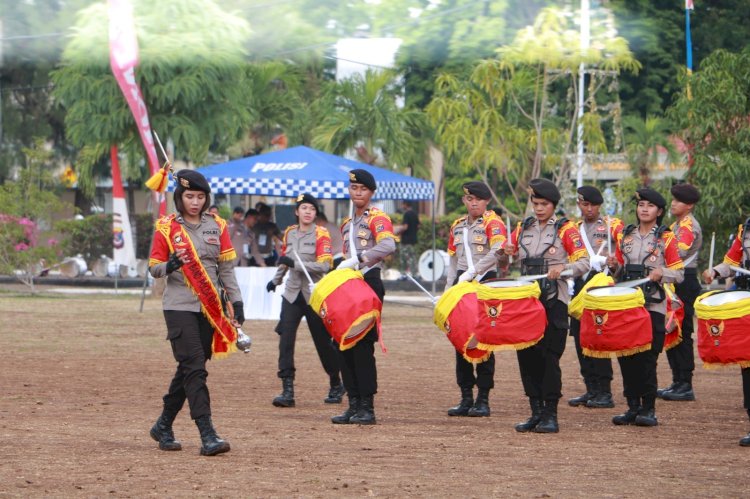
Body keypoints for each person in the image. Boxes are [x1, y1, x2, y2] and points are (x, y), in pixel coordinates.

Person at [147, 169, 244, 456]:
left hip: (209, 308)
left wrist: (237, 303)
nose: (195, 202)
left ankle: (163, 424)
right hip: (178, 306)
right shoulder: (166, 228)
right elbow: (153, 268)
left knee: (190, 368)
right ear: (179, 197)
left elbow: (226, 269)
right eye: (189, 196)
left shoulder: (218, 226)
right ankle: (207, 433)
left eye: (200, 197)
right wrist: (171, 265)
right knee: (196, 368)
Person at [502, 178, 590, 433]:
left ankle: (551, 413)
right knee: (526, 355)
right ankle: (535, 411)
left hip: (554, 300)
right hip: (526, 301)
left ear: (553, 205)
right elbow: (509, 260)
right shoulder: (523, 228)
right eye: (535, 203)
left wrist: (564, 269)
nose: (539, 208)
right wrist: (505, 252)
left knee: (549, 357)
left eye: (544, 204)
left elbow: (584, 262)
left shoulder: (565, 229)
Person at [607, 187, 684, 427]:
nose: (644, 210)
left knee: (647, 358)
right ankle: (632, 406)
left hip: (653, 305)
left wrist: (663, 273)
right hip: (627, 303)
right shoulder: (625, 236)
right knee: (626, 355)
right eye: (641, 205)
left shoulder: (666, 237)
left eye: (650, 206)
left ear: (659, 211)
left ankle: (648, 408)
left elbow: (679, 273)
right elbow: (620, 269)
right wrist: (613, 266)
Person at [265, 193, 343, 407]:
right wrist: (276, 280)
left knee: (323, 342)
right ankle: (287, 389)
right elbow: (284, 260)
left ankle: (336, 382)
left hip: (313, 294)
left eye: (312, 209)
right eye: (304, 208)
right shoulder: (289, 233)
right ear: (296, 211)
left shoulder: (321, 234)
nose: (308, 212)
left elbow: (325, 266)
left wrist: (295, 265)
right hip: (291, 294)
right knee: (286, 340)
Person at [331, 169, 396, 425]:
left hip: (369, 281)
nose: (358, 193)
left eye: (363, 190)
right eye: (354, 188)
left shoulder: (377, 218)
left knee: (363, 345)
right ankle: (353, 403)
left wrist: (359, 258)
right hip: (350, 284)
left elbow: (388, 245)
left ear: (371, 193)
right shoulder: (347, 224)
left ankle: (367, 406)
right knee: (344, 343)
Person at [443, 182, 507, 418]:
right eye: (469, 199)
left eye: (478, 200)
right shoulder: (457, 226)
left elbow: (497, 251)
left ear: (486, 201)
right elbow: (452, 259)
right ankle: (465, 396)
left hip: (484, 282)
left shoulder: (493, 222)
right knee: (460, 339)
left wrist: (474, 272)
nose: (473, 203)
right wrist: (448, 289)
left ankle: (483, 398)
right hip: (461, 283)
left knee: (484, 339)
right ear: (464, 201)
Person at [567, 186, 622, 409]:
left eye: (593, 205)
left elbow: (627, 247)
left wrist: (615, 261)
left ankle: (605, 392)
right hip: (580, 285)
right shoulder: (573, 229)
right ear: (579, 204)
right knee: (581, 339)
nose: (589, 209)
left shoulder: (611, 225)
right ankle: (590, 389)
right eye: (585, 204)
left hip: (601, 286)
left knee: (598, 338)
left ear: (599, 206)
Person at [702, 217, 750, 446]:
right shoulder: (746, 229)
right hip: (746, 303)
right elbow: (731, 262)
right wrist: (714, 271)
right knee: (748, 364)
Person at [658, 183, 702, 401]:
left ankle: (685, 383)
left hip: (685, 281)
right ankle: (677, 381)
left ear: (690, 205)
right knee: (672, 329)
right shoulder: (677, 225)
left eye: (679, 201)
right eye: (673, 200)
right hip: (675, 280)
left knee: (682, 332)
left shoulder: (687, 226)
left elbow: (678, 252)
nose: (673, 204)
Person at [396, 201, 420, 277]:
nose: (402, 206)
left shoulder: (406, 214)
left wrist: (398, 232)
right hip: (413, 239)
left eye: (403, 204)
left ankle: (403, 274)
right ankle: (414, 274)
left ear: (406, 205)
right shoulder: (415, 214)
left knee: (404, 257)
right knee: (412, 257)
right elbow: (418, 225)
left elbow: (405, 227)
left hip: (406, 240)